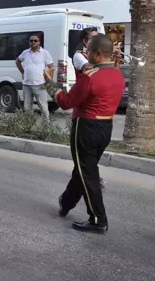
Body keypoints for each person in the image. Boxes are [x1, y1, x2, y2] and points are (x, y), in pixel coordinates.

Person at [43, 34, 124, 234]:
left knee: (87, 173)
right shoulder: (117, 75)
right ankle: (66, 202)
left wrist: (49, 83)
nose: (85, 56)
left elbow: (66, 102)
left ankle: (98, 219)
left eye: (88, 52)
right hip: (106, 127)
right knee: (83, 169)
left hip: (86, 127)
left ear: (97, 54)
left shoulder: (90, 76)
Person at [16, 33, 54, 119]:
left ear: (39, 42)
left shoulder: (44, 53)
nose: (33, 42)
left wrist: (48, 80)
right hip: (27, 85)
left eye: (35, 40)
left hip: (40, 84)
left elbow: (51, 67)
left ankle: (46, 127)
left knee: (43, 107)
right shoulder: (25, 52)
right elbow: (17, 61)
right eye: (31, 40)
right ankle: (28, 125)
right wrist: (23, 72)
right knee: (27, 107)